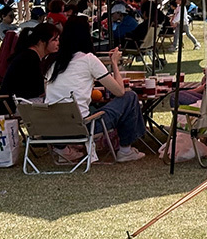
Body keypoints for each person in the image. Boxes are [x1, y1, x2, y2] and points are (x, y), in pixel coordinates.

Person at [45, 16, 146, 163]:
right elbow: (120, 91)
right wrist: (114, 63)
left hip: (53, 128)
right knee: (129, 97)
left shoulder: (54, 63)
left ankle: (63, 150)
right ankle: (125, 150)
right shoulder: (88, 59)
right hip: (82, 126)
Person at [0, 23, 60, 114]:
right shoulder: (30, 58)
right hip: (13, 107)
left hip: (13, 103)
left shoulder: (29, 55)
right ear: (41, 42)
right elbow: (38, 90)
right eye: (55, 40)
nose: (58, 43)